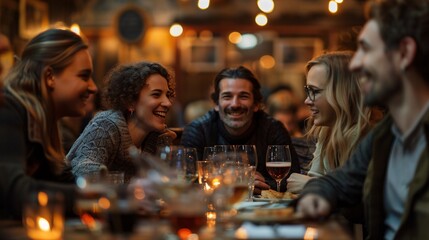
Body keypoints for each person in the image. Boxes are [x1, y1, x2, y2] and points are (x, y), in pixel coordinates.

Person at [296, 0, 429, 239]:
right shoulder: (387, 134)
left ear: (404, 53)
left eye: (366, 50)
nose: (355, 64)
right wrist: (317, 193)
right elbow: (339, 183)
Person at [0, 28, 98, 218]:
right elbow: (13, 191)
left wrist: (122, 194)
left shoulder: (43, 121)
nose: (94, 87)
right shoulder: (8, 111)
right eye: (84, 76)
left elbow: (64, 182)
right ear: (49, 77)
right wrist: (95, 197)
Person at [181, 66, 300, 193]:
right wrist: (235, 182)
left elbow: (293, 180)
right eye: (227, 96)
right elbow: (185, 181)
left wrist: (260, 184)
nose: (235, 104)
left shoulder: (273, 129)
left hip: (262, 211)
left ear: (256, 105)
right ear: (216, 104)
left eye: (243, 96)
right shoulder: (198, 130)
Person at [67, 61, 177, 182]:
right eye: (156, 95)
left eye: (168, 95)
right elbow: (83, 171)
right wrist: (122, 188)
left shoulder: (156, 138)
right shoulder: (106, 124)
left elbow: (166, 183)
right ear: (130, 101)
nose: (168, 103)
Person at [287, 51, 373, 194]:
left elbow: (362, 198)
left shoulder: (370, 137)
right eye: (308, 91)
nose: (307, 101)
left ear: (343, 93)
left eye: (314, 91)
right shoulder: (327, 130)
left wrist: (311, 184)